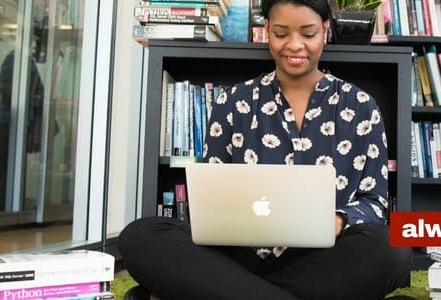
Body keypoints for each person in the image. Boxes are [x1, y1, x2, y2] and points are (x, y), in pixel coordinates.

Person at [118, 0, 412, 298]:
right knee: (140, 237)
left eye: (308, 34)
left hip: (321, 259)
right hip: (236, 258)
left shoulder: (361, 105)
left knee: (392, 251)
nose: (295, 46)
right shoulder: (232, 102)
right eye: (282, 33)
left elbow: (375, 203)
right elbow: (210, 195)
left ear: (325, 30)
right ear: (266, 31)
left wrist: (337, 219)